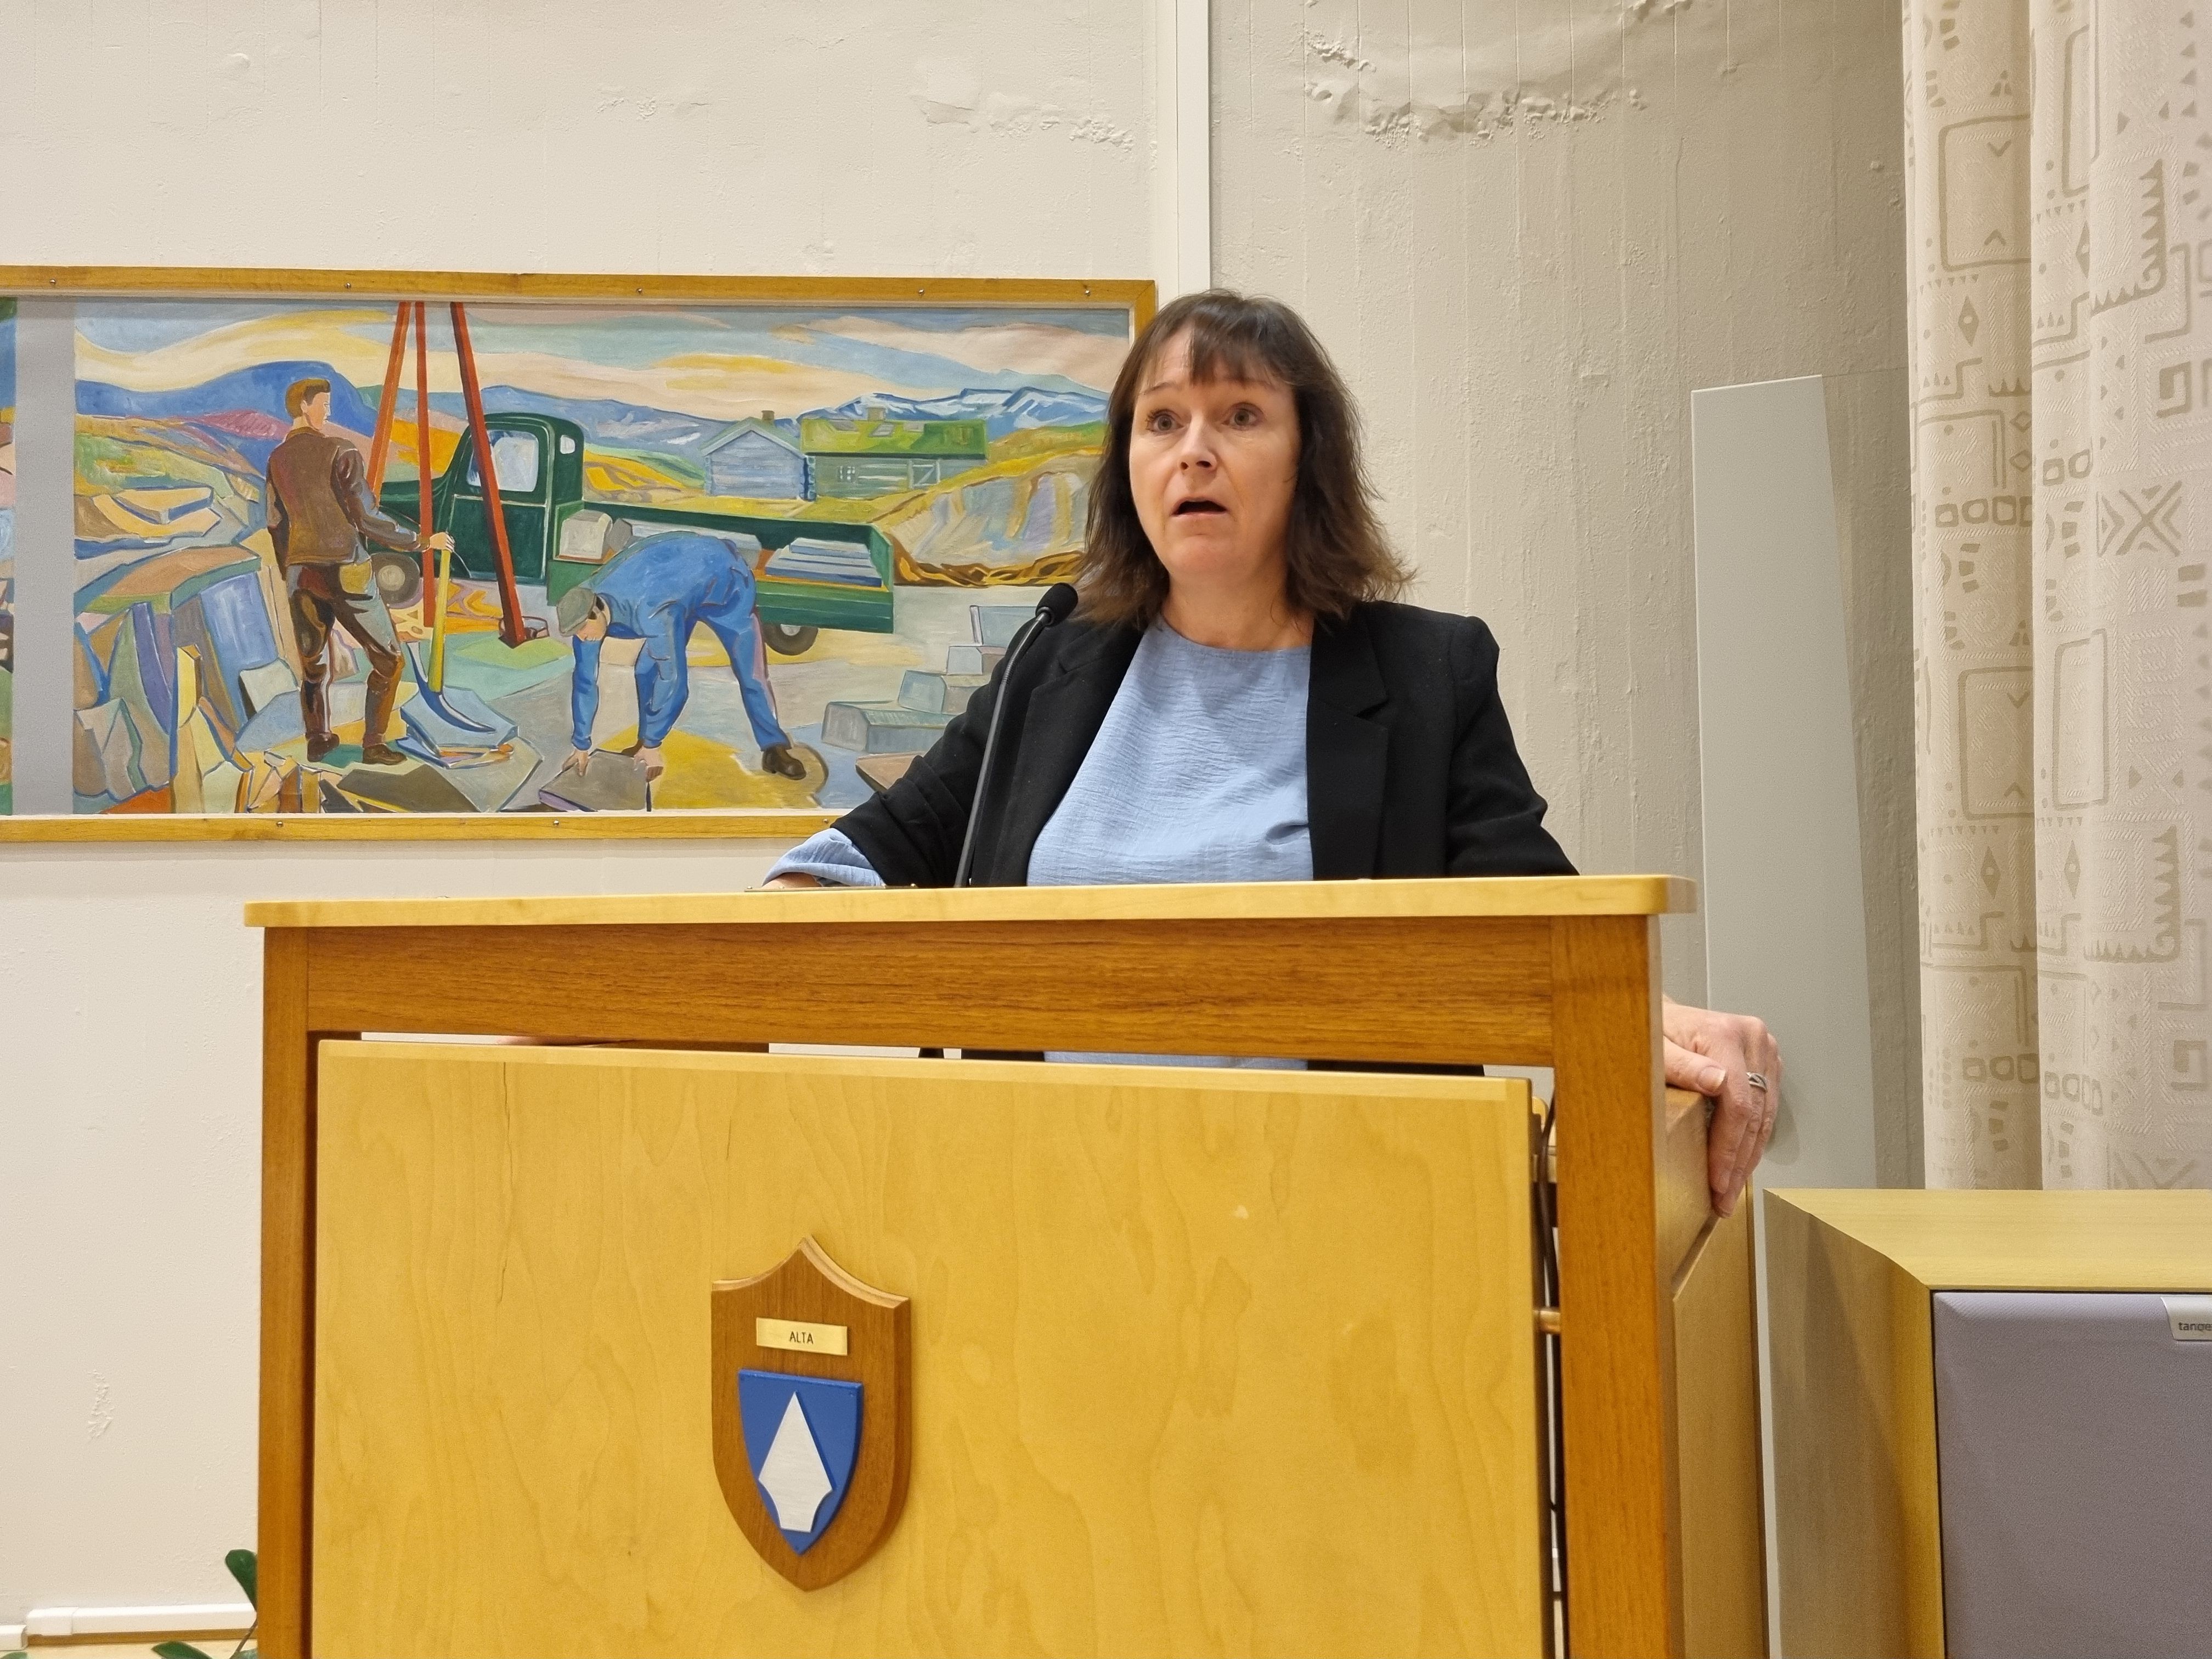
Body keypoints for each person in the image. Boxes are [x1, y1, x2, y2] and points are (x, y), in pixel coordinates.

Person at [764, 290, 1781, 1215]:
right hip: (1050, 1202)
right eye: (1163, 420)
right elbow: (882, 842)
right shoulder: (1054, 664)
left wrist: (1654, 1016)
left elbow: (1528, 913)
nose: (1194, 452)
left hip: (1331, 1212)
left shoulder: (1425, 672)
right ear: (1129, 464)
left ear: (1307, 458)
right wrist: (752, 932)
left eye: (1240, 415)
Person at [265, 377, 453, 765]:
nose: (328, 411)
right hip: (346, 569)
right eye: (324, 404)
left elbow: (275, 522)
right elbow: (366, 517)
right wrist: (421, 541)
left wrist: (291, 567)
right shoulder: (341, 450)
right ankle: (374, 744)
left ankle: (318, 739)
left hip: (301, 574)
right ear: (305, 406)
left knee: (314, 664)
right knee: (389, 659)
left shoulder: (277, 460)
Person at [555, 529, 807, 782]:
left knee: (751, 673)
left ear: (597, 611)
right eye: (576, 633)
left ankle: (774, 747)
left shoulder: (650, 611)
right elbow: (585, 681)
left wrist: (654, 744)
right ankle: (645, 744)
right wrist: (581, 745)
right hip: (678, 590)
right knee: (646, 670)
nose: (582, 637)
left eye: (583, 630)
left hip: (726, 584)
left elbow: (674, 681)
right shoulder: (581, 610)